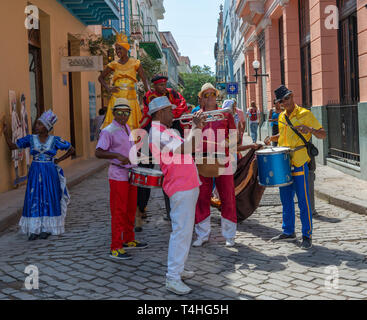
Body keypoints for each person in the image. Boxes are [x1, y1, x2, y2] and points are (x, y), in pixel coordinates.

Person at [148, 96, 205, 295]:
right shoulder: (157, 134)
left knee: (185, 231)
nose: (174, 114)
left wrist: (197, 128)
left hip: (187, 183)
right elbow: (185, 148)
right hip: (180, 186)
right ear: (159, 113)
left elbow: (193, 148)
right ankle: (172, 277)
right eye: (170, 111)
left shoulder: (168, 131)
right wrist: (196, 126)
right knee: (181, 232)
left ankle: (178, 270)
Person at [265, 85, 326, 250]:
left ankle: (307, 235)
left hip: (299, 162)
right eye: (282, 100)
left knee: (304, 201)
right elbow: (285, 135)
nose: (286, 101)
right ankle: (288, 231)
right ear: (280, 103)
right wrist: (273, 138)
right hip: (283, 164)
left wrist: (309, 129)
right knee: (285, 200)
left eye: (288, 97)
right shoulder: (281, 117)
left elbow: (322, 133)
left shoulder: (305, 114)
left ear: (292, 96)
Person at [3, 110, 75, 241]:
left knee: (48, 197)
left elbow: (71, 149)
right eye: (37, 124)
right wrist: (5, 132)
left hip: (50, 172)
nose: (36, 126)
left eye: (40, 124)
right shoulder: (31, 139)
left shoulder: (55, 140)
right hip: (35, 172)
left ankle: (47, 228)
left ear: (47, 127)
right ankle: (34, 229)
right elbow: (13, 146)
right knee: (34, 197)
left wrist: (58, 160)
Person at [95, 98, 148, 260]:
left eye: (126, 113)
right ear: (113, 113)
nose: (123, 116)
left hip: (130, 173)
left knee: (131, 208)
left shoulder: (126, 127)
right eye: (120, 113)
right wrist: (117, 155)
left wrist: (137, 154)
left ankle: (129, 239)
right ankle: (116, 246)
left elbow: (127, 149)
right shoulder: (108, 130)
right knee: (119, 211)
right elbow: (99, 152)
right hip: (118, 175)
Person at [192, 83, 238, 248]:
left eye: (212, 94)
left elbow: (233, 138)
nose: (210, 97)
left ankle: (229, 235)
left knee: (227, 196)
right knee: (201, 197)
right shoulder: (196, 115)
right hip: (202, 159)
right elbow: (191, 139)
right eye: (206, 95)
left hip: (223, 158)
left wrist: (229, 152)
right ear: (201, 99)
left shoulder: (225, 114)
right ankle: (202, 234)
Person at [138, 75, 189, 222]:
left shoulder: (172, 92)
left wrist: (172, 116)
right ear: (154, 86)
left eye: (164, 84)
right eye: (160, 85)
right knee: (144, 166)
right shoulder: (149, 95)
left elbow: (181, 104)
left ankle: (175, 208)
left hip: (172, 121)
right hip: (156, 122)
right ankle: (141, 208)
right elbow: (152, 111)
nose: (162, 87)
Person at [98, 33, 149, 131]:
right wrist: (108, 88)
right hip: (117, 96)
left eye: (120, 48)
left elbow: (144, 79)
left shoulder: (135, 62)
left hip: (131, 96)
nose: (117, 51)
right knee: (115, 124)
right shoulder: (114, 64)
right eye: (116, 49)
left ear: (126, 49)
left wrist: (149, 93)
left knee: (131, 124)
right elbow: (100, 78)